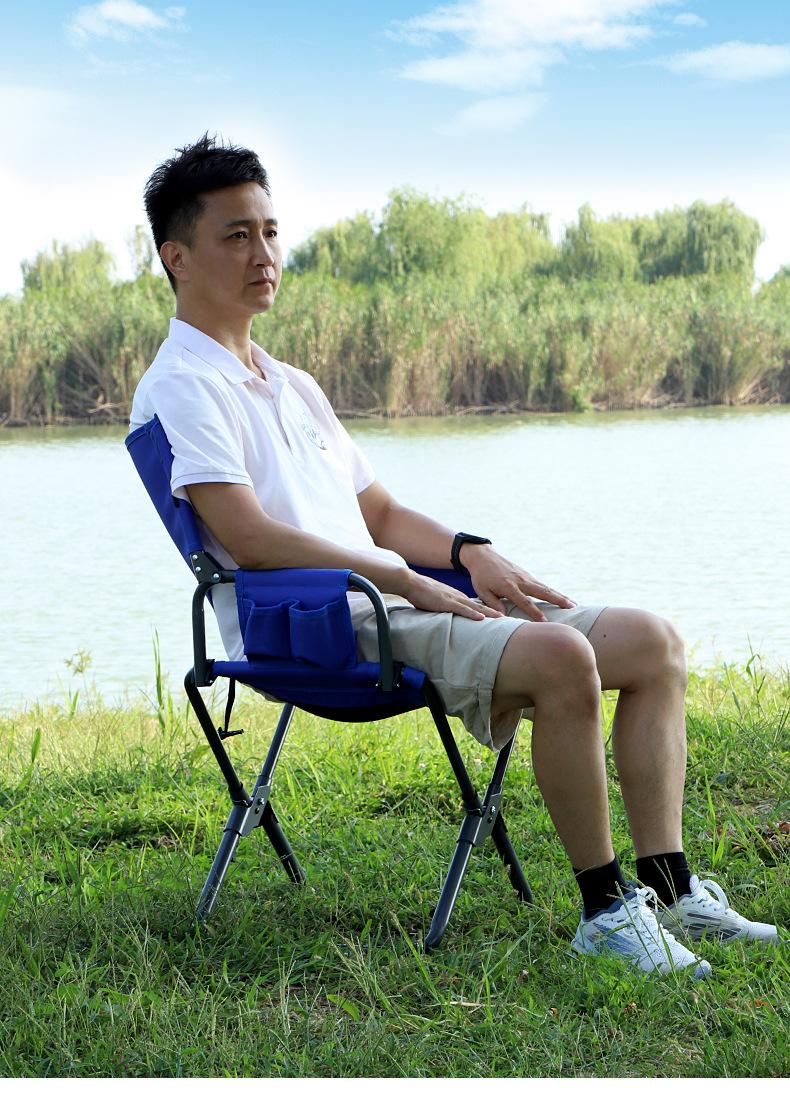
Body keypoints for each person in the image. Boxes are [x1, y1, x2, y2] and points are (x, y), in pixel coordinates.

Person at [129, 134, 779, 977]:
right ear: (177, 257)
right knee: (562, 658)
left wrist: (470, 552)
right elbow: (247, 539)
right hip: (316, 623)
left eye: (271, 231)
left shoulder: (291, 383)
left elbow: (380, 513)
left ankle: (670, 886)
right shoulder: (182, 384)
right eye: (237, 236)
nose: (265, 254)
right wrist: (402, 578)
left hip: (389, 595)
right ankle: (606, 913)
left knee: (652, 643)